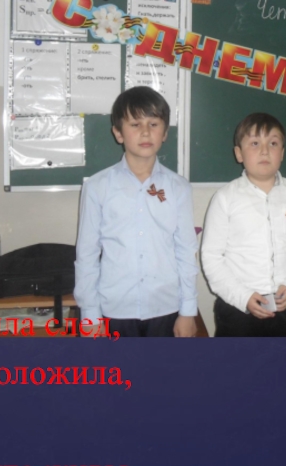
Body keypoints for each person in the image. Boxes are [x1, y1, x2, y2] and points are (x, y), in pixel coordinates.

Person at [74, 86, 198, 337]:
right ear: (118, 133)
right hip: (113, 309)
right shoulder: (97, 187)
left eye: (153, 124)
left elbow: (186, 251)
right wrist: (90, 314)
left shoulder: (179, 188)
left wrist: (188, 311)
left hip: (166, 307)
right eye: (135, 124)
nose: (145, 132)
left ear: (165, 132)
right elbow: (87, 254)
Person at [201, 113, 286, 337]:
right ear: (239, 153)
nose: (265, 151)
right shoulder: (225, 198)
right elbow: (211, 257)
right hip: (237, 308)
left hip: (285, 305)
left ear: (282, 153)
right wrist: (242, 297)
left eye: (273, 143)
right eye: (255, 143)